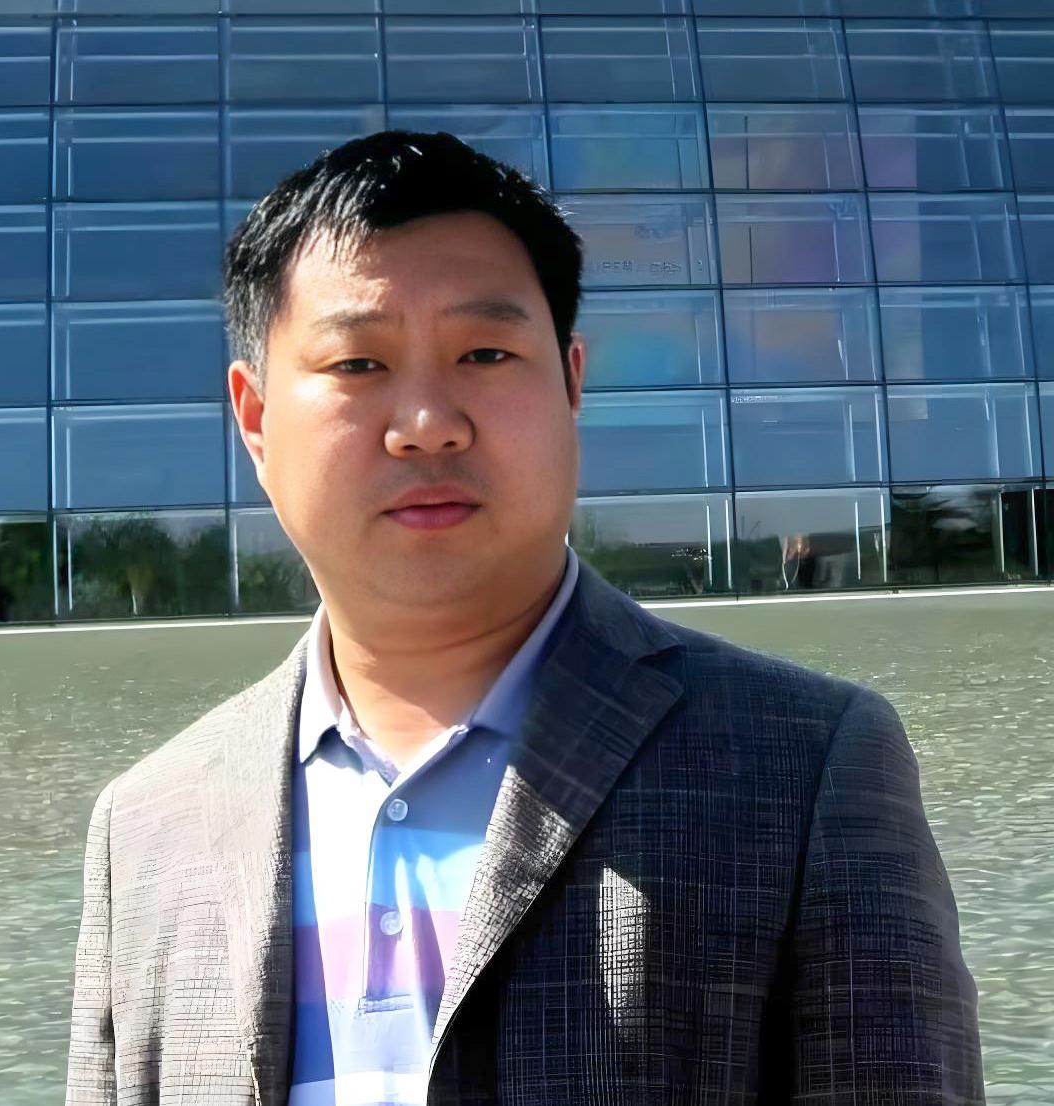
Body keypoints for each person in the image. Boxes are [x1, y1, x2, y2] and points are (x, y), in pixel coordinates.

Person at [65, 131, 984, 1106]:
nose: (426, 422)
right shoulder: (148, 829)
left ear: (572, 381)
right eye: (358, 362)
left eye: (484, 353)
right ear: (255, 419)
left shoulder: (804, 766)